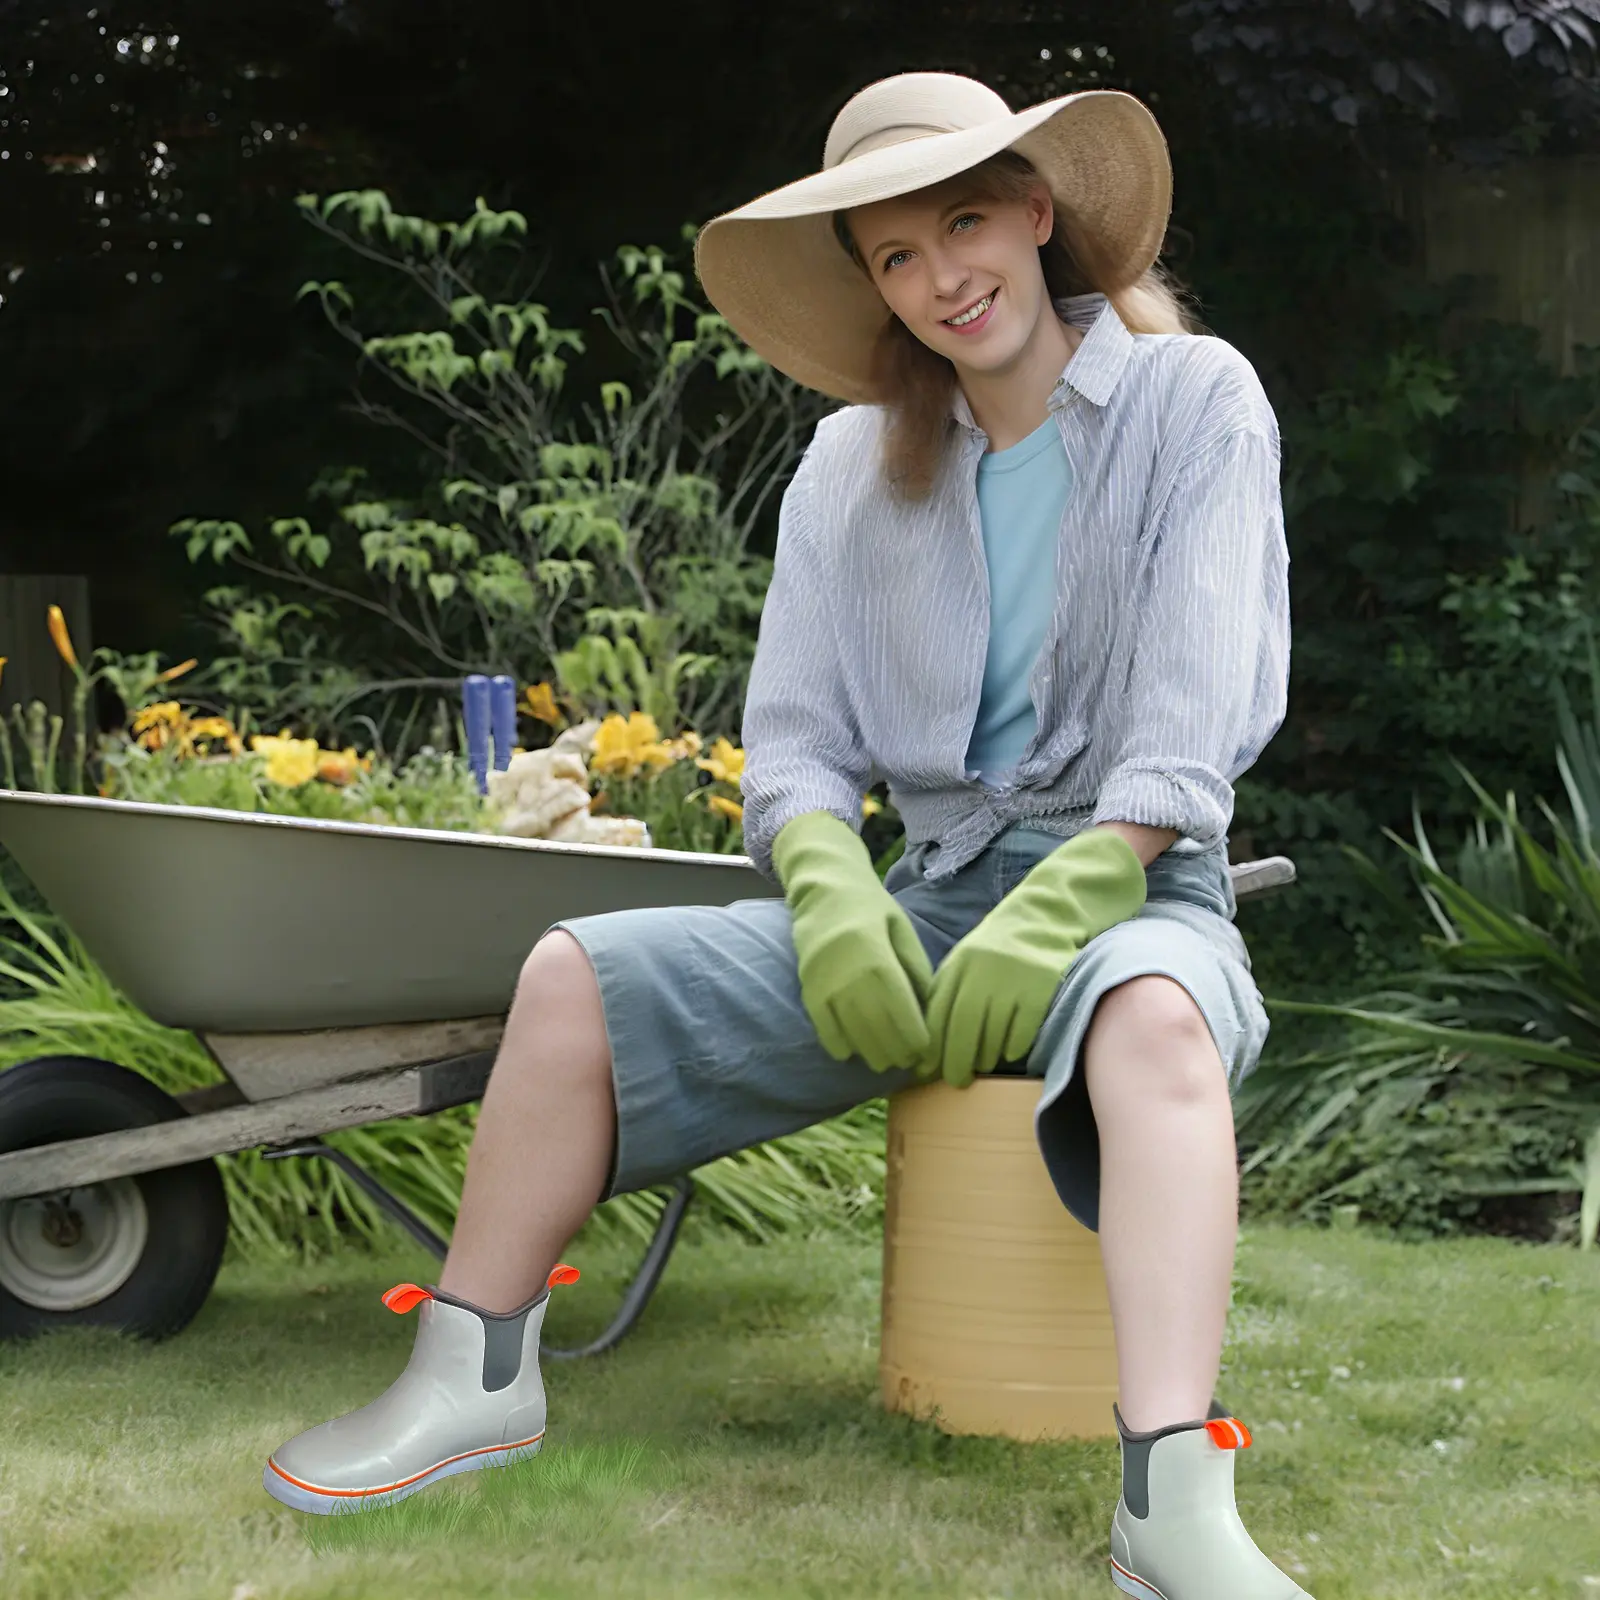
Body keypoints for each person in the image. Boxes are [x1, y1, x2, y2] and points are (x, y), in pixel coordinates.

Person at [263, 70, 1302, 1600]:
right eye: (898, 255)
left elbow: (1195, 705)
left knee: (1152, 1019)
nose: (944, 277)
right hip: (923, 903)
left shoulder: (1193, 399)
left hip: (1138, 890)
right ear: (876, 285)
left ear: (1035, 212)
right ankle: (469, 1381)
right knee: (569, 976)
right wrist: (829, 889)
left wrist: (1075, 890)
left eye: (965, 223)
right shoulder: (845, 471)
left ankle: (1172, 1503)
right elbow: (800, 743)